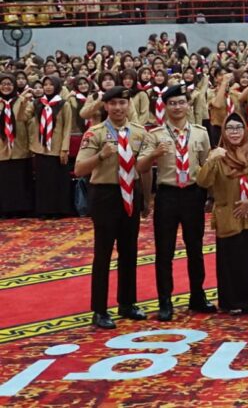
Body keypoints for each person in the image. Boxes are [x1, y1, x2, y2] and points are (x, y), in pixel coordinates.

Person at [74, 87, 151, 330]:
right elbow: (79, 170)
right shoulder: (94, 133)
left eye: (122, 102)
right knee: (104, 254)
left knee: (129, 251)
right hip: (105, 194)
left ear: (129, 105)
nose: (118, 107)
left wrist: (146, 200)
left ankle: (127, 303)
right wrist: (100, 156)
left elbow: (144, 168)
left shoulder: (139, 132)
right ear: (105, 106)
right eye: (113, 103)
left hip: (131, 193)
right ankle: (99, 310)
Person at [137, 84, 215, 321]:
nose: (177, 107)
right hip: (167, 195)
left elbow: (208, 167)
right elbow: (141, 167)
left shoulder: (201, 133)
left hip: (193, 194)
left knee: (195, 249)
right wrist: (153, 154)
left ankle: (197, 296)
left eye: (181, 102)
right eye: (172, 103)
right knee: (164, 251)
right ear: (165, 106)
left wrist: (210, 195)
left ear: (188, 105)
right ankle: (165, 301)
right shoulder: (156, 134)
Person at [196, 113, 248, 314]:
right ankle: (234, 302)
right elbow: (203, 182)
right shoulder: (218, 154)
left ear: (245, 130)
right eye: (230, 128)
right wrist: (211, 160)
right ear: (224, 131)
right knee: (232, 259)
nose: (234, 132)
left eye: (238, 128)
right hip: (229, 214)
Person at [27, 76, 73, 217]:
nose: (47, 87)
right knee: (43, 182)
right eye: (45, 84)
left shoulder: (63, 104)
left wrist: (64, 149)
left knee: (57, 182)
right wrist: (23, 100)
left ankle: (58, 210)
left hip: (57, 148)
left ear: (57, 86)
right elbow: (23, 117)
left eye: (50, 84)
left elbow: (67, 128)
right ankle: (44, 210)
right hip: (41, 148)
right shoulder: (37, 103)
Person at [0, 74, 33, 217]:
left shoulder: (22, 100)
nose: (6, 86)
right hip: (1, 148)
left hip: (20, 146)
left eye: (9, 84)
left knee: (19, 180)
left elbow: (29, 123)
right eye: (3, 84)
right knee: (4, 181)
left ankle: (20, 209)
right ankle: (4, 210)